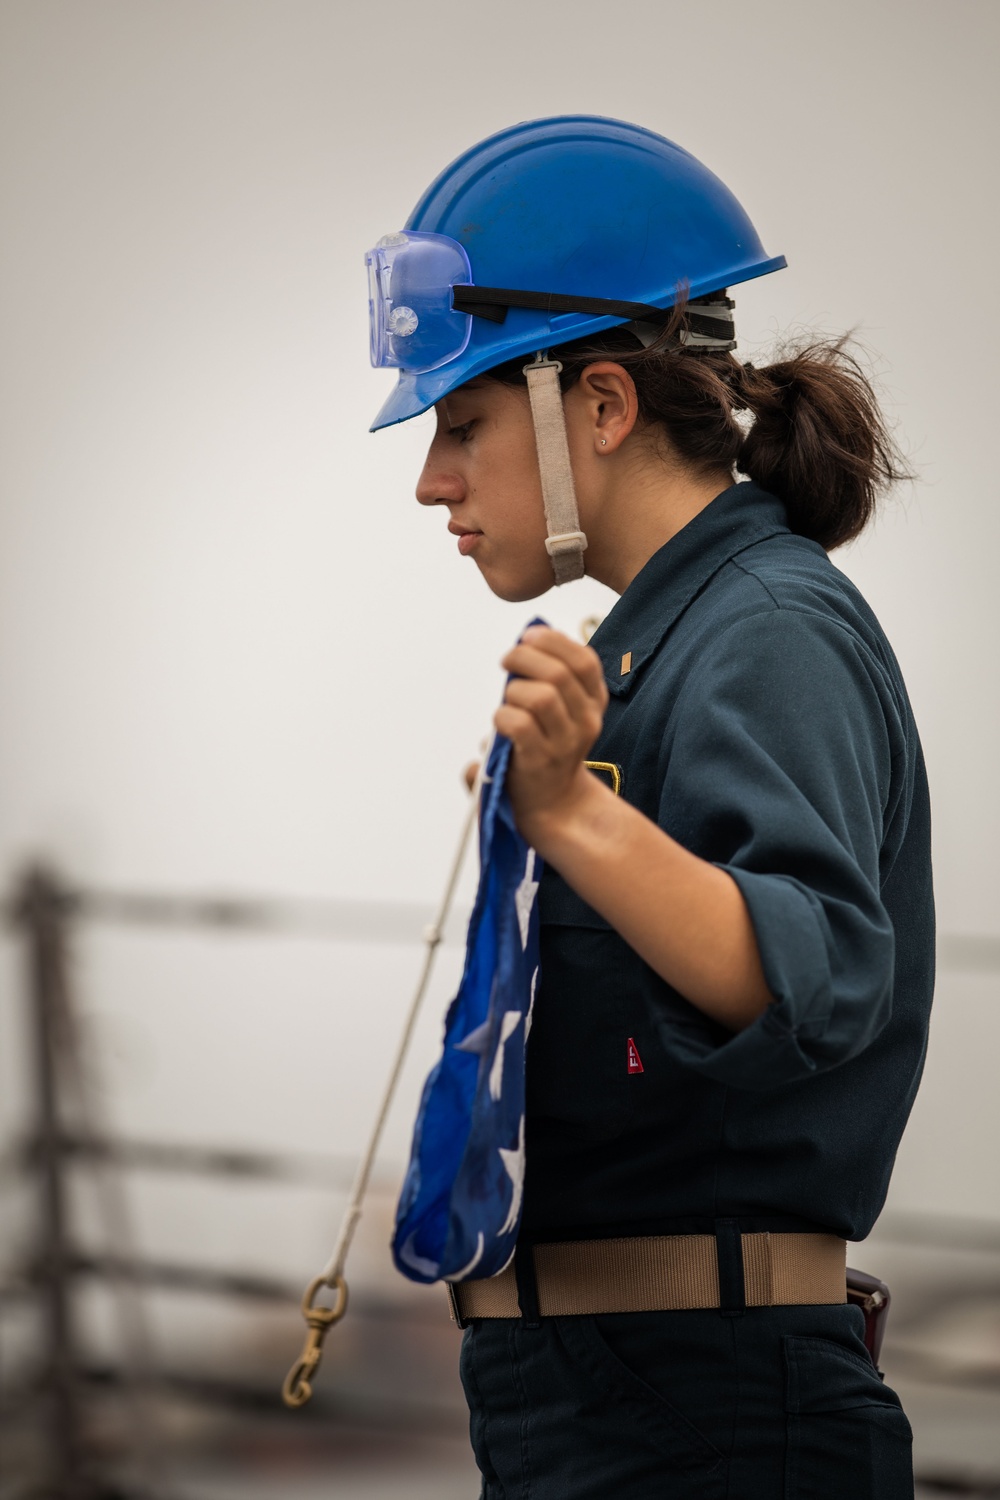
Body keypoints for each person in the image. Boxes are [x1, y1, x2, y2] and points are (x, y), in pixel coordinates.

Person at [367, 116, 932, 1499]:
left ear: (604, 407)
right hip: (623, 1403)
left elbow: (815, 976)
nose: (431, 478)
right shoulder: (665, 641)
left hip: (710, 1417)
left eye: (461, 420)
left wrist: (571, 817)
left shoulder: (767, 626)